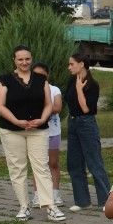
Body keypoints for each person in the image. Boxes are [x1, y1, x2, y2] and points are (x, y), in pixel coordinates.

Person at [0, 45, 65, 222]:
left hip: (38, 130)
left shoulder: (41, 79)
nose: (24, 62)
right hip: (12, 130)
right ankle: (24, 206)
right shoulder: (5, 80)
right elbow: (0, 105)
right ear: (14, 60)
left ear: (31, 59)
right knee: (17, 167)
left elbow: (49, 104)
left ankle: (50, 206)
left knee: (41, 166)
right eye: (20, 59)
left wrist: (42, 119)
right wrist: (16, 121)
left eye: (27, 59)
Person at [64, 54, 112, 212]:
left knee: (94, 162)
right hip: (72, 123)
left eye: (72, 64)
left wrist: (79, 89)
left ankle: (106, 201)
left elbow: (86, 109)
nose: (69, 67)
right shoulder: (71, 80)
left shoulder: (93, 85)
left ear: (82, 64)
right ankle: (82, 200)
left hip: (86, 124)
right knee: (74, 163)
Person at [31, 62, 64, 208]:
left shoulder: (54, 89)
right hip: (36, 132)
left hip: (52, 132)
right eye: (35, 75)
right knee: (38, 164)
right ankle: (38, 195)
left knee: (53, 163)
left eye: (42, 75)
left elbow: (57, 107)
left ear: (47, 75)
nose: (39, 77)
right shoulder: (30, 90)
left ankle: (55, 193)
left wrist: (42, 107)